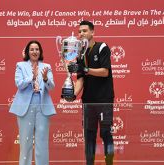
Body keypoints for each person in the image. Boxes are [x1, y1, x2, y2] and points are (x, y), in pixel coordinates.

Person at [68, 20, 115, 165]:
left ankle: (109, 162)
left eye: (84, 31)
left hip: (104, 100)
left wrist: (86, 70)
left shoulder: (102, 47)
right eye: (79, 31)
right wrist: (73, 94)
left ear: (92, 32)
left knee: (105, 133)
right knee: (89, 136)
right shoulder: (80, 54)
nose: (81, 33)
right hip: (87, 102)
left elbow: (105, 72)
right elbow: (81, 79)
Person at [9, 40, 56, 165]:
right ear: (27, 52)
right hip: (25, 107)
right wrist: (32, 77)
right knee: (25, 142)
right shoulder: (20, 65)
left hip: (42, 107)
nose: (34, 51)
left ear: (40, 52)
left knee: (42, 142)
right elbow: (19, 84)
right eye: (32, 49)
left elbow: (51, 87)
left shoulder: (47, 66)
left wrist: (45, 78)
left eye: (37, 49)